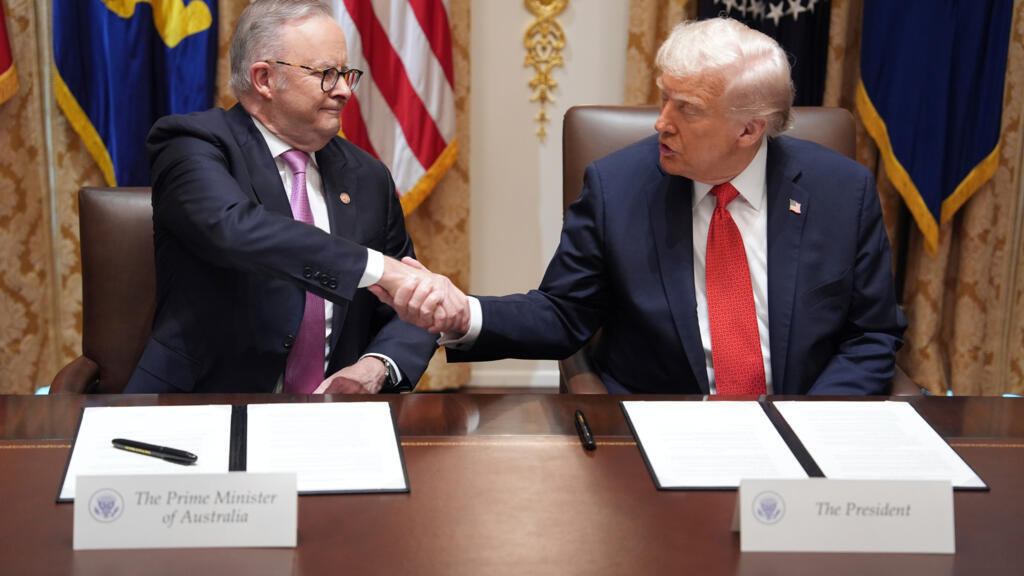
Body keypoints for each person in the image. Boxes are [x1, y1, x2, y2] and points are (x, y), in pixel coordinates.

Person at [389, 17, 907, 395]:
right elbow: (563, 314)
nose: (661, 122)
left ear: (750, 129)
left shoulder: (842, 191)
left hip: (802, 425)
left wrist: (814, 426)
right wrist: (464, 315)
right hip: (661, 431)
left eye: (688, 109)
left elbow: (872, 333)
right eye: (664, 98)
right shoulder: (618, 187)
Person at [124, 0, 461, 394]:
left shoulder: (367, 176)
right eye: (326, 74)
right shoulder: (192, 143)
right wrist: (377, 268)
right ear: (265, 79)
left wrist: (373, 369)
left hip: (331, 420)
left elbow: (409, 307)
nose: (344, 91)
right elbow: (235, 230)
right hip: (197, 407)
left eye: (347, 74)